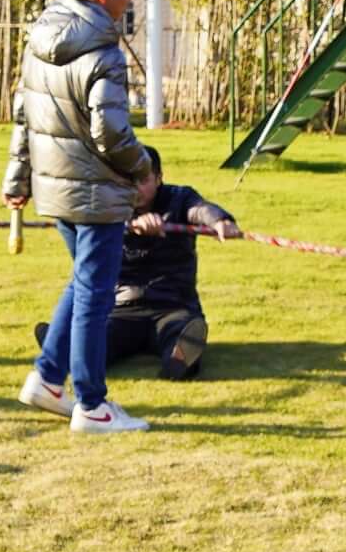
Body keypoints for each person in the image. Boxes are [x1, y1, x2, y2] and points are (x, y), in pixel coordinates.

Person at [3, 0, 158, 431]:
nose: (130, 1)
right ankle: (92, 404)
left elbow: (24, 115)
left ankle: (48, 379)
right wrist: (142, 168)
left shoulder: (39, 38)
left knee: (84, 283)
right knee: (96, 295)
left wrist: (17, 178)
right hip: (96, 192)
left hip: (56, 190)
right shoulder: (105, 51)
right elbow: (110, 132)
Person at [29, 144, 240, 385]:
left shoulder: (180, 197)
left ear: (159, 178)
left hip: (173, 305)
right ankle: (62, 345)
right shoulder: (108, 208)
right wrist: (129, 226)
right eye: (127, 181)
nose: (135, 189)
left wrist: (220, 220)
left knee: (179, 330)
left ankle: (181, 358)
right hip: (120, 308)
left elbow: (200, 210)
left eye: (143, 180)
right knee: (97, 344)